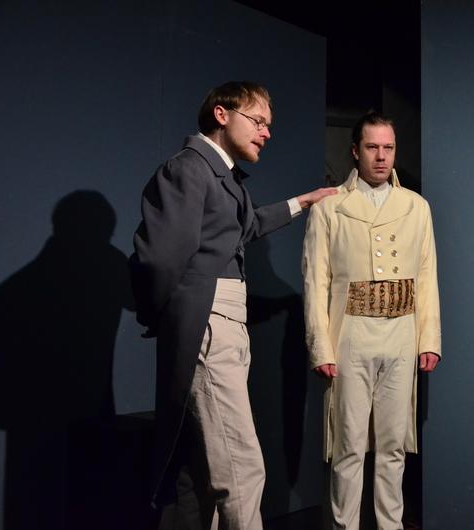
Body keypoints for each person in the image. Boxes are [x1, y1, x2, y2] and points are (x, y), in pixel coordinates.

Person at [130, 81, 335, 530]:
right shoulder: (189, 168)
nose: (266, 132)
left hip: (225, 322)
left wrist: (304, 201)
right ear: (222, 115)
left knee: (205, 468)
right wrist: (165, 313)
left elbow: (249, 223)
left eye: (268, 125)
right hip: (208, 319)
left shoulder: (221, 175)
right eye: (258, 121)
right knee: (241, 467)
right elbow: (161, 257)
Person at [302, 111, 441, 529]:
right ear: (355, 151)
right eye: (372, 147)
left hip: (400, 333)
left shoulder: (416, 206)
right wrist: (320, 347)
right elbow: (315, 281)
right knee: (348, 445)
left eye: (388, 148)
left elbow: (428, 274)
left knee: (393, 445)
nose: (381, 157)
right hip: (351, 336)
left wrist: (428, 338)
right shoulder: (331, 207)